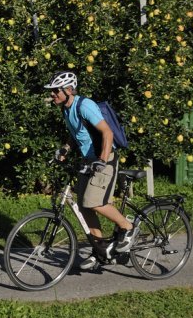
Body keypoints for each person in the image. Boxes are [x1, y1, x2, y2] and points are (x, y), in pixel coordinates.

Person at [46, 70, 138, 269]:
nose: (52, 94)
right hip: (88, 161)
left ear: (68, 90)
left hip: (104, 159)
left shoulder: (85, 105)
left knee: (94, 202)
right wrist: (66, 149)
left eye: (55, 91)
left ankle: (127, 227)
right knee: (83, 205)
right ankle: (100, 249)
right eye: (52, 91)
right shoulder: (66, 108)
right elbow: (77, 133)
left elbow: (107, 133)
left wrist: (102, 161)